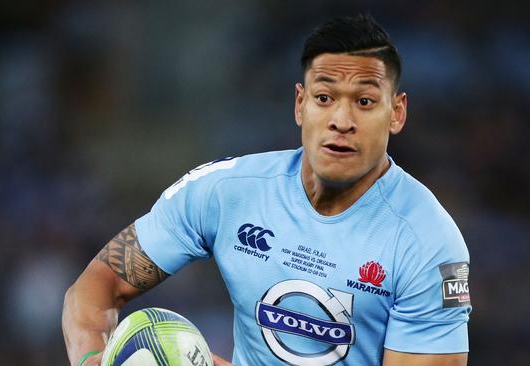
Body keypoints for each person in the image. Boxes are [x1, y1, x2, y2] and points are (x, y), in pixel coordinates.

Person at [62, 14, 472, 366]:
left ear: (396, 112)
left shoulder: (429, 245)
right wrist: (89, 359)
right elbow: (99, 285)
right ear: (300, 104)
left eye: (364, 102)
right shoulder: (226, 192)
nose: (341, 120)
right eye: (325, 97)